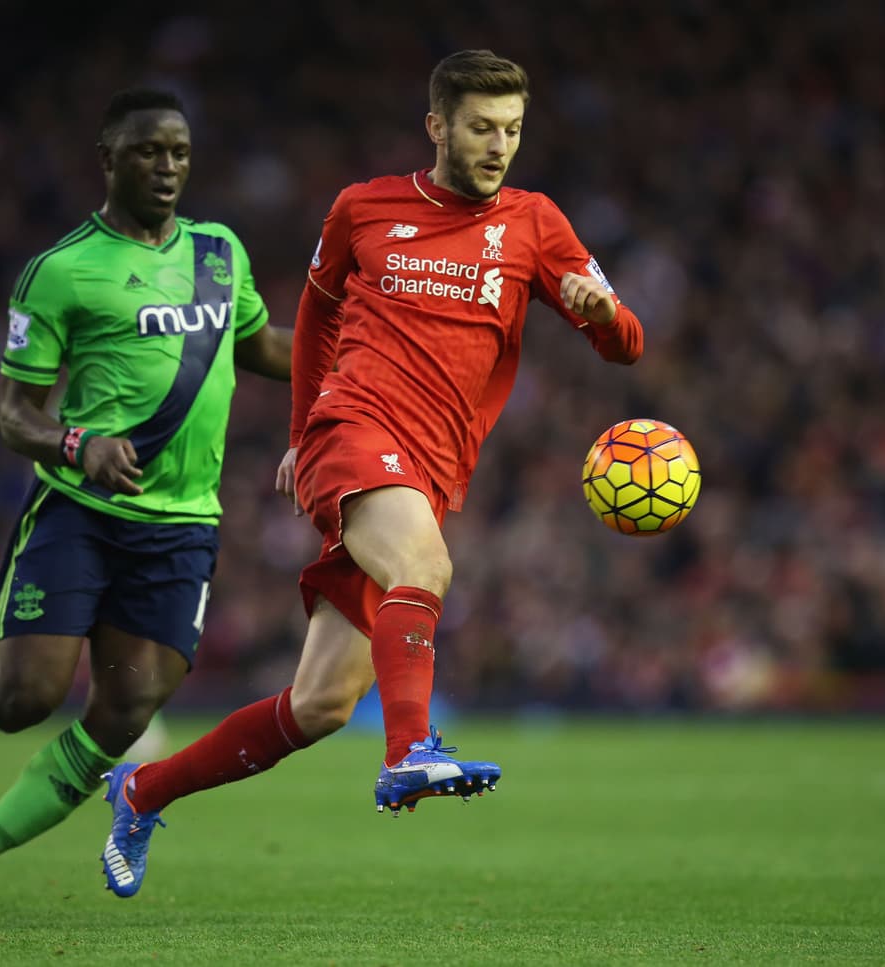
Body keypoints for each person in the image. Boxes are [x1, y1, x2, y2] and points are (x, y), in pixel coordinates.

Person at [99, 48, 645, 898]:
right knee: (425, 566)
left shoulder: (537, 224)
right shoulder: (363, 209)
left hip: (431, 467)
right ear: (437, 126)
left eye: (512, 130)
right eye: (480, 128)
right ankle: (411, 750)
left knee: (317, 705)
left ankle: (141, 789)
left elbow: (627, 345)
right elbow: (315, 320)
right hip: (352, 430)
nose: (499, 145)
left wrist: (603, 313)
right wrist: (301, 428)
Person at [0, 87, 291, 916]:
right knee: (23, 701)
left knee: (121, 716)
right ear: (108, 159)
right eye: (149, 151)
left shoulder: (220, 252)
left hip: (183, 525)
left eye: (180, 152)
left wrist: (365, 356)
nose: (168, 167)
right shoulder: (61, 271)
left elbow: (261, 347)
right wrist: (80, 445)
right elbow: (14, 414)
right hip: (82, 511)